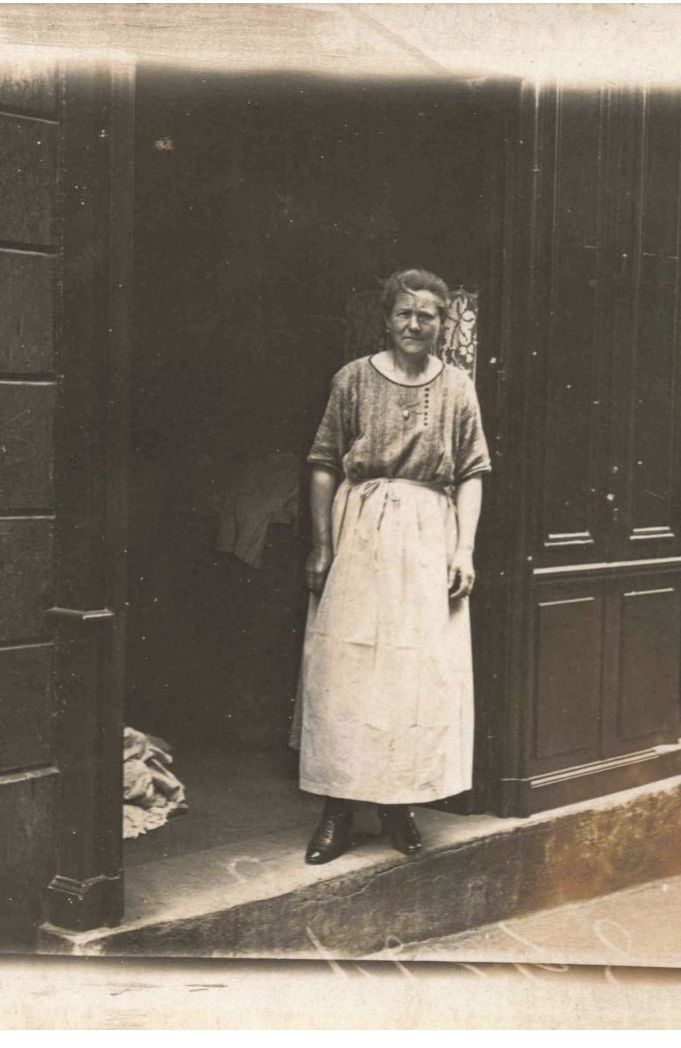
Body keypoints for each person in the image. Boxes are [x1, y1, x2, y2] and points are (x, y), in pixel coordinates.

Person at [295, 268, 490, 864]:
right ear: (387, 318)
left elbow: (474, 471)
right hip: (361, 529)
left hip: (430, 533)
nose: (414, 324)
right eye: (405, 313)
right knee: (346, 668)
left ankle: (399, 806)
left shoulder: (457, 386)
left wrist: (464, 549)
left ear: (442, 322)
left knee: (415, 673)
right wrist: (323, 545)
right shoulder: (352, 379)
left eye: (427, 315)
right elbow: (325, 462)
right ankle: (337, 810)